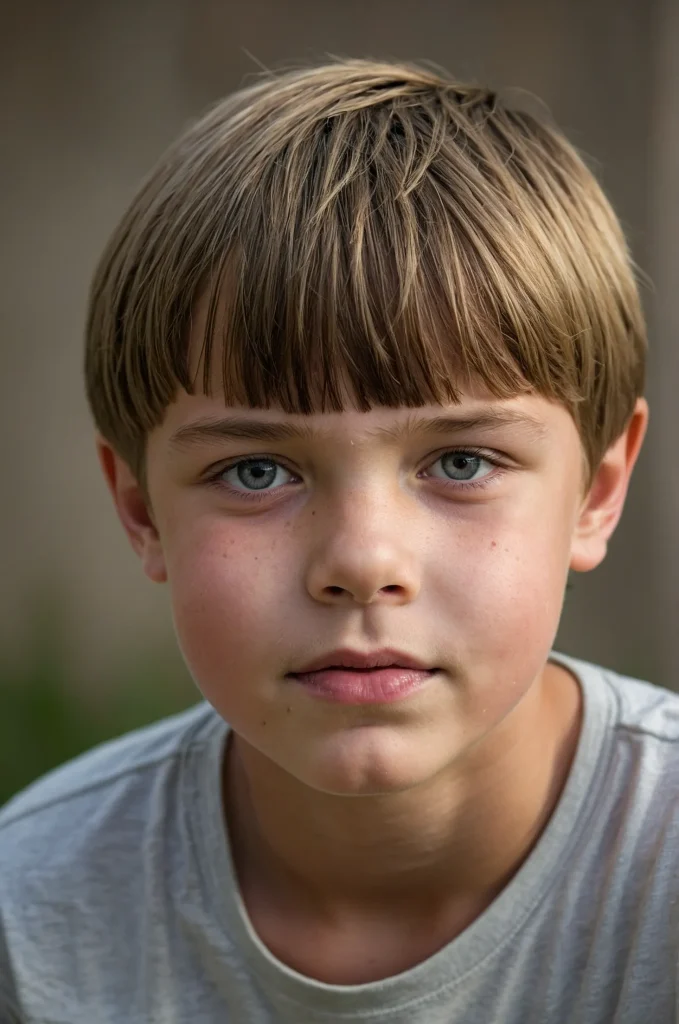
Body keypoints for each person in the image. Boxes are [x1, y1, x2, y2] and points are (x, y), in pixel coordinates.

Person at [0, 56, 673, 1023]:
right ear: (142, 511)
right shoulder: (36, 910)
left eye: (461, 462)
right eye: (256, 471)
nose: (361, 562)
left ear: (595, 495)